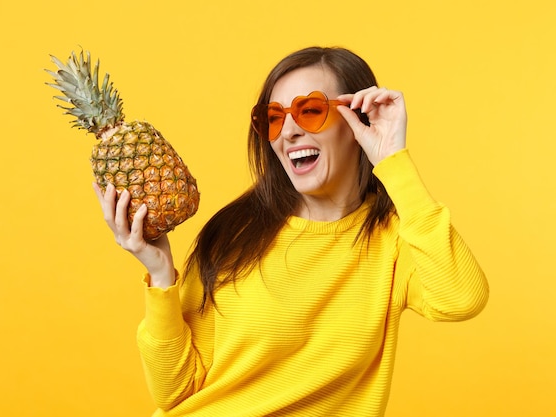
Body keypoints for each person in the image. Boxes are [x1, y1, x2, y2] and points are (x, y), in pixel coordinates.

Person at [93, 46, 489, 417]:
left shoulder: (395, 242)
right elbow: (175, 390)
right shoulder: (234, 233)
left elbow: (461, 299)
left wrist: (392, 159)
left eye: (311, 111)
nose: (289, 132)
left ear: (358, 123)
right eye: (275, 118)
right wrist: (161, 275)